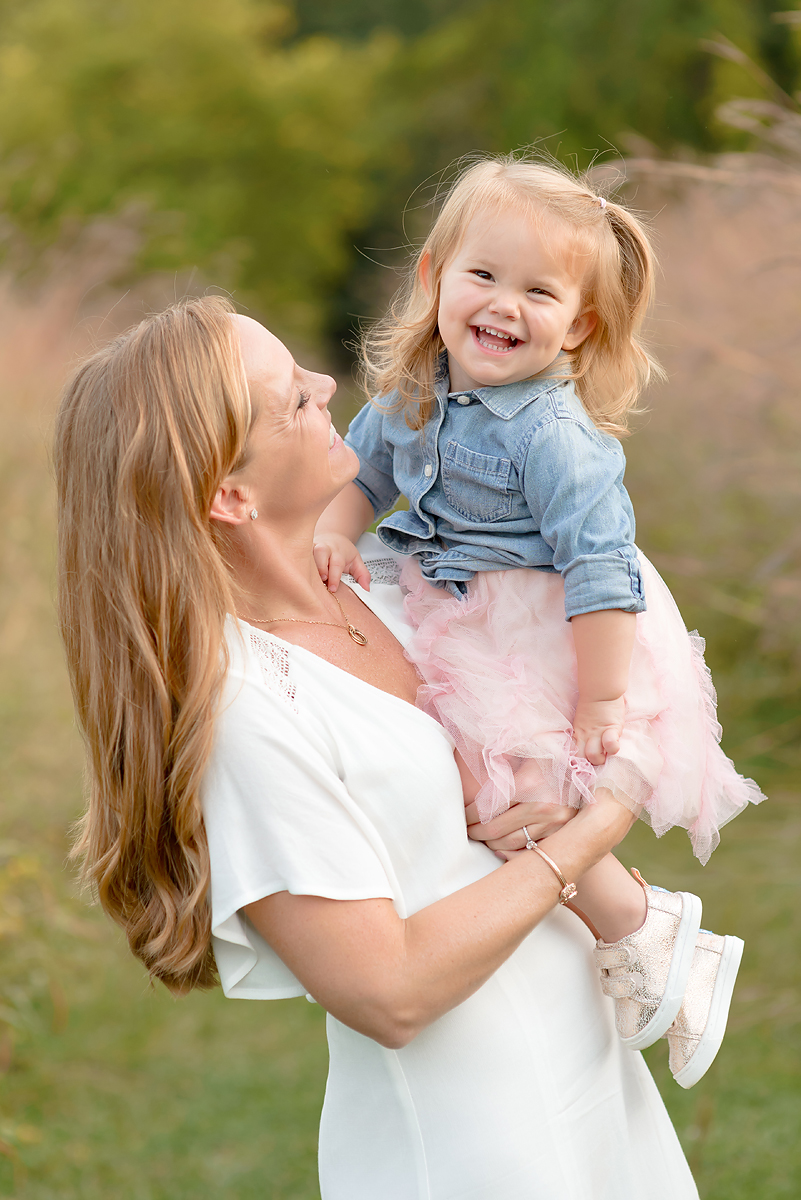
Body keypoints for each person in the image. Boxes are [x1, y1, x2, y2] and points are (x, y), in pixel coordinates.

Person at [55, 296, 700, 1198]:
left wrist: (565, 822)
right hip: (471, 1141)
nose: (327, 382)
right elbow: (385, 991)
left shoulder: (399, 575)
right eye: (291, 399)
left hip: (584, 1068)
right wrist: (590, 833)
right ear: (228, 496)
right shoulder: (247, 713)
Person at [314, 154, 762, 1086]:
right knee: (436, 767)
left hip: (544, 627)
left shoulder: (557, 439)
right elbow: (364, 475)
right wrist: (334, 528)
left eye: (538, 291)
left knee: (512, 790)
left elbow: (600, 574)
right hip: (440, 595)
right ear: (435, 277)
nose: (503, 306)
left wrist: (601, 698)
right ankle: (561, 929)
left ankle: (644, 928)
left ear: (576, 326)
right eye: (482, 275)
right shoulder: (413, 387)